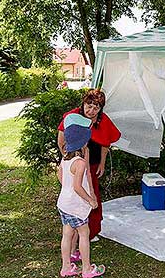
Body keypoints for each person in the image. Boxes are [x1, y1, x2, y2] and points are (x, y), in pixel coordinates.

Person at [57, 88, 121, 244]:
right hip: (75, 164)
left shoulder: (102, 120)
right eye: (89, 105)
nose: (91, 110)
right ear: (83, 103)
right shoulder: (72, 117)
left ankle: (90, 232)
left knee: (93, 196)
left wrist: (102, 163)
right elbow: (61, 140)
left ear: (100, 108)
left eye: (96, 108)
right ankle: (73, 231)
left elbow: (106, 143)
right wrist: (67, 160)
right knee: (75, 194)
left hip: (92, 164)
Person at [57, 114, 105, 277]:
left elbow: (61, 178)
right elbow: (78, 187)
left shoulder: (65, 158)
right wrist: (90, 199)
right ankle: (86, 270)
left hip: (64, 204)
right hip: (75, 206)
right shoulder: (80, 162)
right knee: (84, 234)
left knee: (67, 234)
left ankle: (66, 267)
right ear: (82, 141)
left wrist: (68, 188)